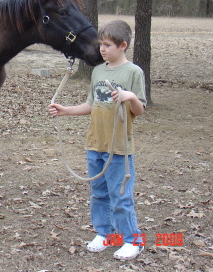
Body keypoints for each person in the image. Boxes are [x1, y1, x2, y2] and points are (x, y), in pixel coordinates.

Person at [49, 20, 147, 261]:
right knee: (99, 194)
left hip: (119, 148)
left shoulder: (134, 72)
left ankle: (133, 241)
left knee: (120, 196)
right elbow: (91, 105)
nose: (102, 49)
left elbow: (140, 109)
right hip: (95, 145)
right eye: (101, 44)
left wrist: (129, 96)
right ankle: (105, 234)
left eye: (107, 45)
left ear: (122, 46)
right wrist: (65, 110)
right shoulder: (98, 71)